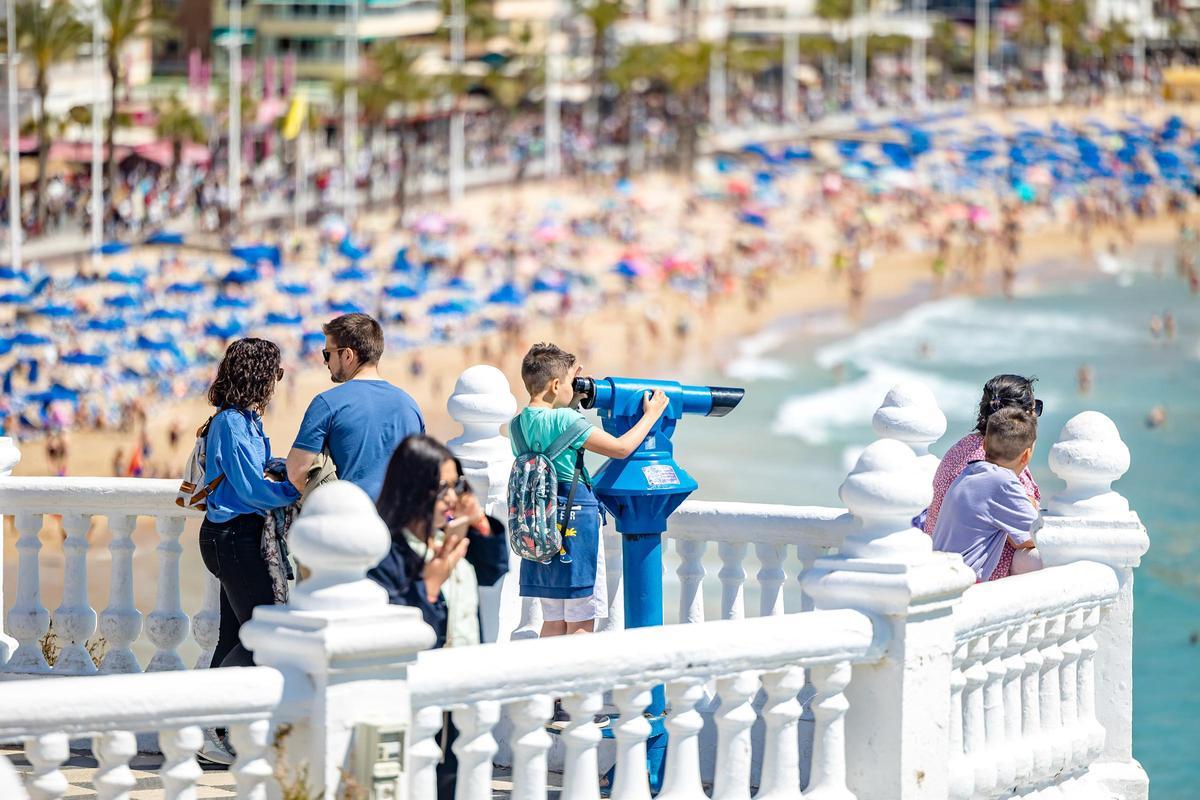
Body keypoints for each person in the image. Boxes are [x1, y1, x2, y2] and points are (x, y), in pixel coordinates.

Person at [368, 435, 508, 800]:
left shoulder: (448, 538)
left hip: (463, 690)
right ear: (414, 488)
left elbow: (494, 570)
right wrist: (429, 587)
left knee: (460, 780)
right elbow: (391, 629)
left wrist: (478, 521)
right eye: (443, 488)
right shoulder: (387, 550)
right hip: (413, 700)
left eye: (457, 486)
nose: (451, 498)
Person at [512, 343, 668, 642]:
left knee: (553, 620)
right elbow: (620, 448)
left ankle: (550, 676)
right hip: (575, 525)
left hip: (538, 527)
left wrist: (569, 399)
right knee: (581, 621)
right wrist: (651, 415)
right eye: (571, 382)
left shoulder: (517, 425)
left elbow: (548, 438)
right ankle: (576, 676)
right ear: (555, 385)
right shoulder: (567, 421)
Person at [197, 338, 299, 763]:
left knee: (234, 635)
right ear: (259, 375)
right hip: (232, 538)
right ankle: (207, 721)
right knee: (265, 632)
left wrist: (280, 467)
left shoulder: (245, 420)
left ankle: (213, 732)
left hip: (236, 536)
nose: (278, 381)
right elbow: (250, 488)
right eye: (276, 373)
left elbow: (254, 470)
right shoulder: (231, 424)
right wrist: (296, 489)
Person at [286, 313, 424, 499]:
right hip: (399, 512)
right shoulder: (410, 405)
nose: (325, 361)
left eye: (327, 353)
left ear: (348, 355)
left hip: (350, 512)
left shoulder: (327, 403)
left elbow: (296, 472)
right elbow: (420, 468)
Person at [922, 374, 1042, 581]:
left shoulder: (969, 453)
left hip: (942, 561)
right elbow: (1024, 536)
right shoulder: (1000, 469)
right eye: (1035, 409)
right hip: (978, 570)